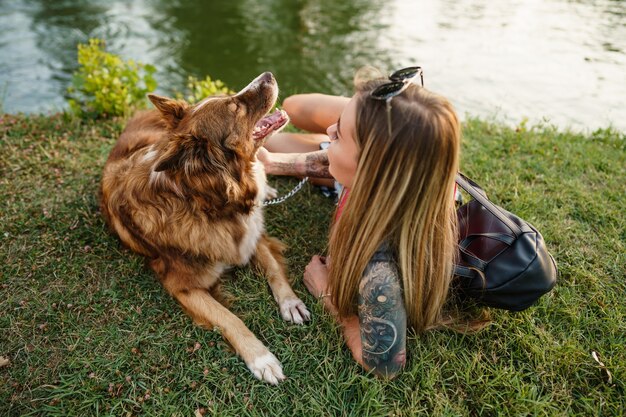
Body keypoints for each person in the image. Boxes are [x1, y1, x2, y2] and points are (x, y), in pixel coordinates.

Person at [258, 67, 462, 378]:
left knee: (281, 129)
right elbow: (339, 165)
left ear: (369, 171)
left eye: (338, 135)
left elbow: (382, 364)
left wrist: (327, 294)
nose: (330, 131)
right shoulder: (412, 171)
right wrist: (276, 165)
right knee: (293, 107)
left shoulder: (380, 268)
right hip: (374, 156)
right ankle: (356, 119)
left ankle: (354, 120)